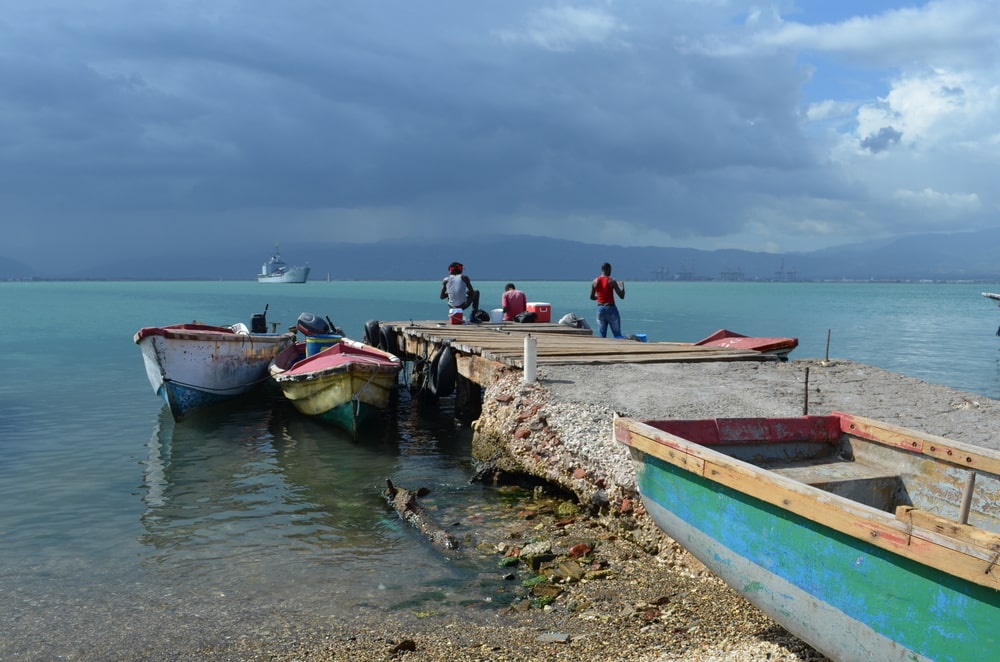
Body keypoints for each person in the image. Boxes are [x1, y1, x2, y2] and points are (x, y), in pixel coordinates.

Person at [590, 262, 625, 338]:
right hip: (611, 309)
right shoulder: (611, 281)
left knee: (602, 335)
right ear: (608, 269)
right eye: (611, 270)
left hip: (600, 310)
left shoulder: (594, 281)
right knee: (617, 335)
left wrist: (599, 297)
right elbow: (622, 296)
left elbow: (592, 297)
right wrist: (622, 287)